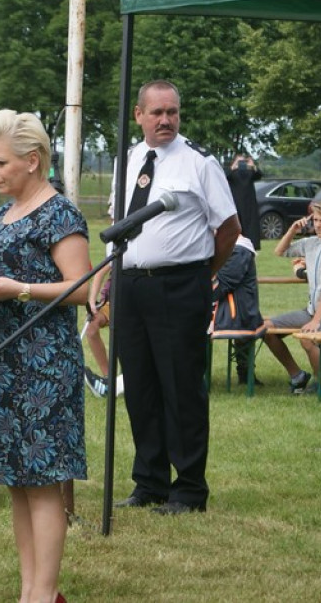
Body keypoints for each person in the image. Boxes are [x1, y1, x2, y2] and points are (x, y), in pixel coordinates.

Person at [0, 109, 90, 603]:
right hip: (1, 362)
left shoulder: (60, 213)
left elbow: (81, 290)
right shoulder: (2, 214)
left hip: (42, 366)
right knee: (16, 481)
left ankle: (46, 592)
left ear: (32, 160)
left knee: (41, 482)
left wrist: (20, 291)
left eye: (0, 163)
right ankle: (29, 590)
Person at [111, 80, 240, 515]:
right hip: (130, 285)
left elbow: (229, 228)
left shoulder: (199, 163)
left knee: (180, 388)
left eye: (173, 112)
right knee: (140, 387)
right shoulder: (126, 160)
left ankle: (188, 489)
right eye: (157, 112)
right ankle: (149, 482)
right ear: (139, 116)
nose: (166, 120)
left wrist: (203, 272)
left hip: (180, 286)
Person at [262, 199, 321, 394]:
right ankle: (297, 376)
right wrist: (292, 230)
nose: (318, 225)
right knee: (265, 328)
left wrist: (317, 320)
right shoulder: (310, 243)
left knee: (306, 338)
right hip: (311, 310)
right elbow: (280, 251)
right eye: (316, 220)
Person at [209, 234, 266, 386]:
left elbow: (221, 286)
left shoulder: (239, 250)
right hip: (227, 311)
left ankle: (191, 376)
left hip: (236, 315)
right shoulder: (224, 246)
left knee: (185, 323)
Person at [83, 253, 124, 398]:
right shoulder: (121, 248)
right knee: (91, 326)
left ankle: (122, 380)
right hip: (110, 300)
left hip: (130, 302)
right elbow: (100, 272)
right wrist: (93, 301)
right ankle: (109, 379)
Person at [226, 153, 263, 250]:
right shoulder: (232, 173)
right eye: (240, 161)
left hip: (249, 203)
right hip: (236, 203)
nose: (242, 164)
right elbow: (224, 176)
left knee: (250, 226)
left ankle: (252, 245)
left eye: (243, 161)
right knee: (237, 225)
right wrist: (233, 166)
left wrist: (252, 165)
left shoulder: (249, 173)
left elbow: (259, 175)